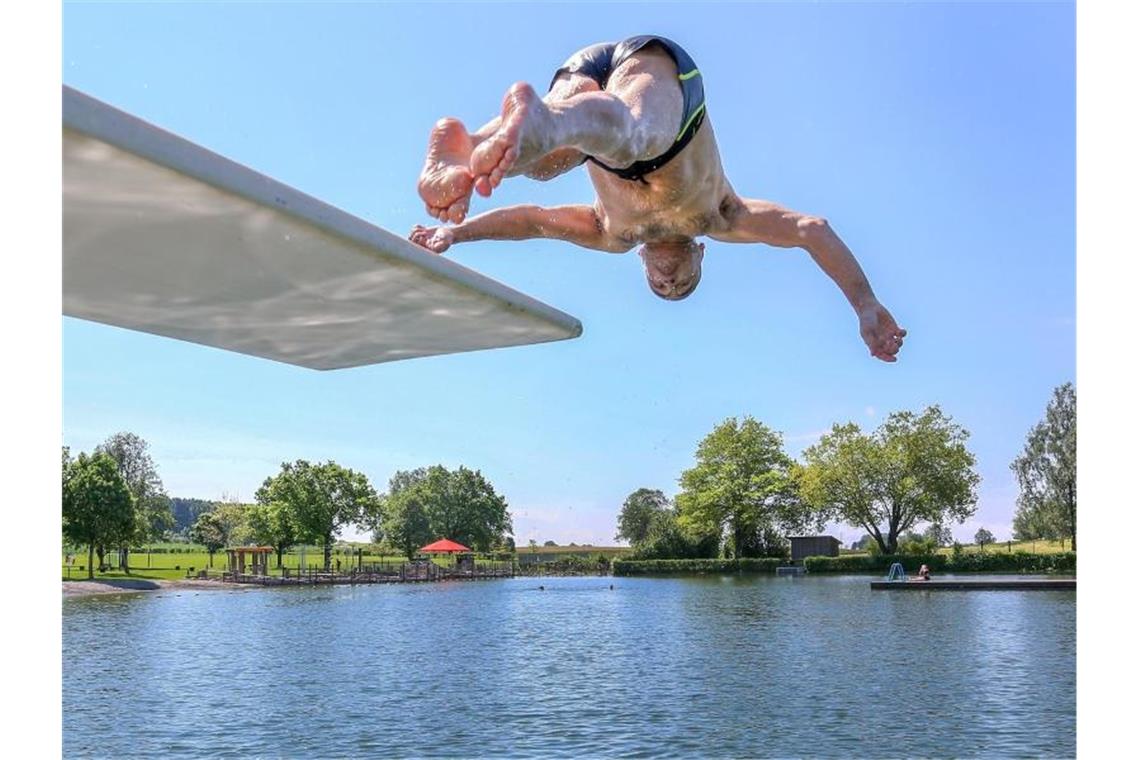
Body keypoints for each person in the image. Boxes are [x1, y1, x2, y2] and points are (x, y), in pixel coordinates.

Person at [411, 35, 906, 362]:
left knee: (544, 168)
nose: (668, 282)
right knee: (635, 138)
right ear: (700, 257)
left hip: (585, 96)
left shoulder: (612, 233)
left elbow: (532, 221)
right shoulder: (722, 217)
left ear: (644, 264)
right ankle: (540, 122)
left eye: (660, 287)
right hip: (659, 75)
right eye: (682, 284)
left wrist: (455, 232)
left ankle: (468, 149)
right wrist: (864, 304)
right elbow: (810, 231)